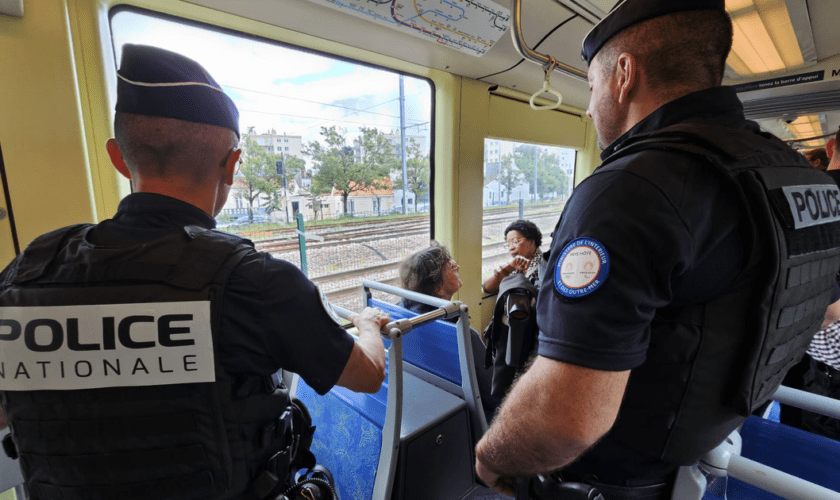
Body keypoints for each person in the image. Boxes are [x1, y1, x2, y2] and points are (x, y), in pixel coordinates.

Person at [474, 1, 840, 498]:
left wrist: (492, 455)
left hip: (609, 482)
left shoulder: (628, 189)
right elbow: (811, 309)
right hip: (711, 451)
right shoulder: (795, 175)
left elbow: (566, 421)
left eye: (590, 86)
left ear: (624, 74)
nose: (587, 106)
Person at [0, 44, 388, 500]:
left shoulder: (27, 272)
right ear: (231, 165)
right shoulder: (257, 281)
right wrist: (367, 325)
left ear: (119, 157)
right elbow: (366, 375)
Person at [482, 220, 546, 295]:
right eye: (508, 245)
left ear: (532, 241)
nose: (511, 248)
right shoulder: (514, 264)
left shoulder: (546, 263)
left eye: (516, 242)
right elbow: (487, 288)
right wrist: (505, 271)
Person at [399, 241, 462, 315]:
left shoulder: (404, 307)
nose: (457, 267)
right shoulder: (455, 323)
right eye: (452, 267)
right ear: (438, 289)